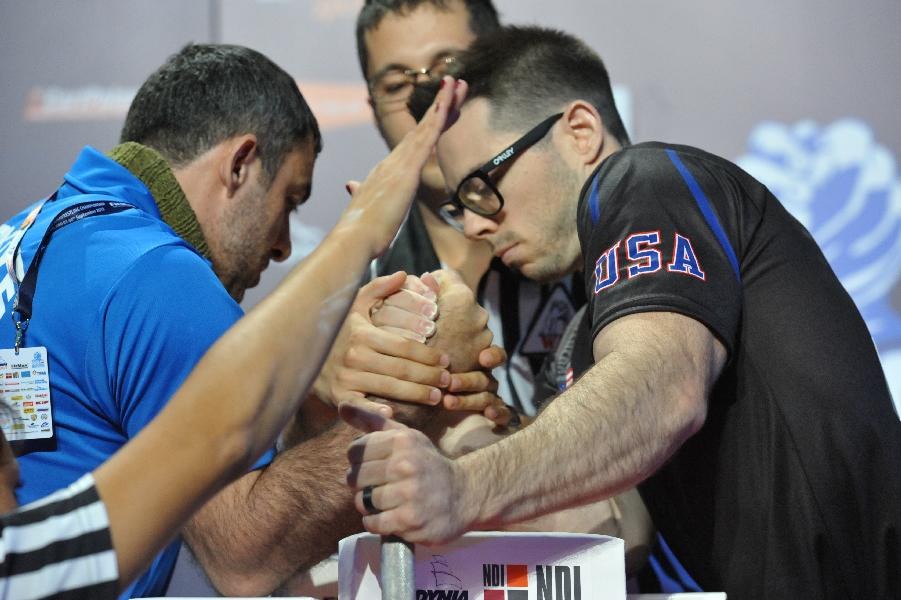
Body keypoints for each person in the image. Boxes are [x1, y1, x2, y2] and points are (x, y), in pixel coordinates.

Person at [343, 26, 901, 599]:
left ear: (580, 131)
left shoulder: (643, 180)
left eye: (485, 185)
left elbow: (663, 388)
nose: (478, 224)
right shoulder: (590, 329)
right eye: (461, 207)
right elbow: (610, 526)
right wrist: (449, 411)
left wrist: (462, 488)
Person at [0, 43, 463, 598]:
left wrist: (315, 371)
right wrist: (423, 392)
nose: (285, 245)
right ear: (241, 164)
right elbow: (243, 554)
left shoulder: (31, 229)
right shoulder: (158, 274)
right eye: (290, 199)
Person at [353, 0, 585, 415]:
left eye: (448, 70)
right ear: (373, 112)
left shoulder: (601, 237)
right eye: (395, 87)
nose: (425, 105)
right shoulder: (362, 285)